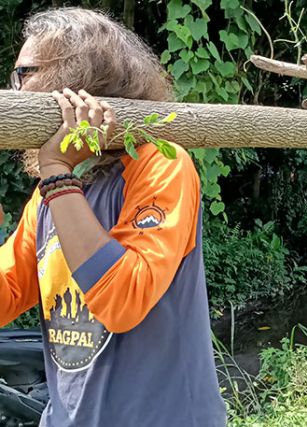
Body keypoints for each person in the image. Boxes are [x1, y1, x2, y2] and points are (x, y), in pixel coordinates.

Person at [0, 8, 225, 426]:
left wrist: (57, 175)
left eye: (23, 74)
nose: (13, 91)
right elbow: (6, 293)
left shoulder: (162, 165)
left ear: (77, 79)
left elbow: (122, 300)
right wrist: (59, 178)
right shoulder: (53, 192)